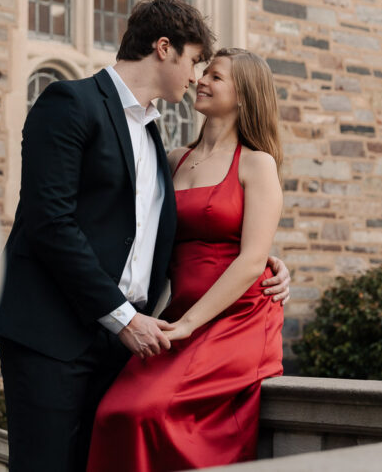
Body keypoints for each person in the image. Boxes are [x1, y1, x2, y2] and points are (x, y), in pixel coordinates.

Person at [0, 0, 290, 472]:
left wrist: (268, 263)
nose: (196, 77)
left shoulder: (152, 135)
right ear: (164, 49)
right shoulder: (71, 103)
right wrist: (124, 318)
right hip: (55, 334)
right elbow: (50, 224)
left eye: (209, 71)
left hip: (124, 342)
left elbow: (180, 235)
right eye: (194, 62)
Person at [86, 47, 285, 472]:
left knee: (146, 412)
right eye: (203, 72)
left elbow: (251, 259)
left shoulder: (257, 163)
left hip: (238, 319)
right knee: (111, 411)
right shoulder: (173, 159)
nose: (201, 80)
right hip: (177, 316)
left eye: (216, 76)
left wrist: (192, 323)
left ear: (246, 95)